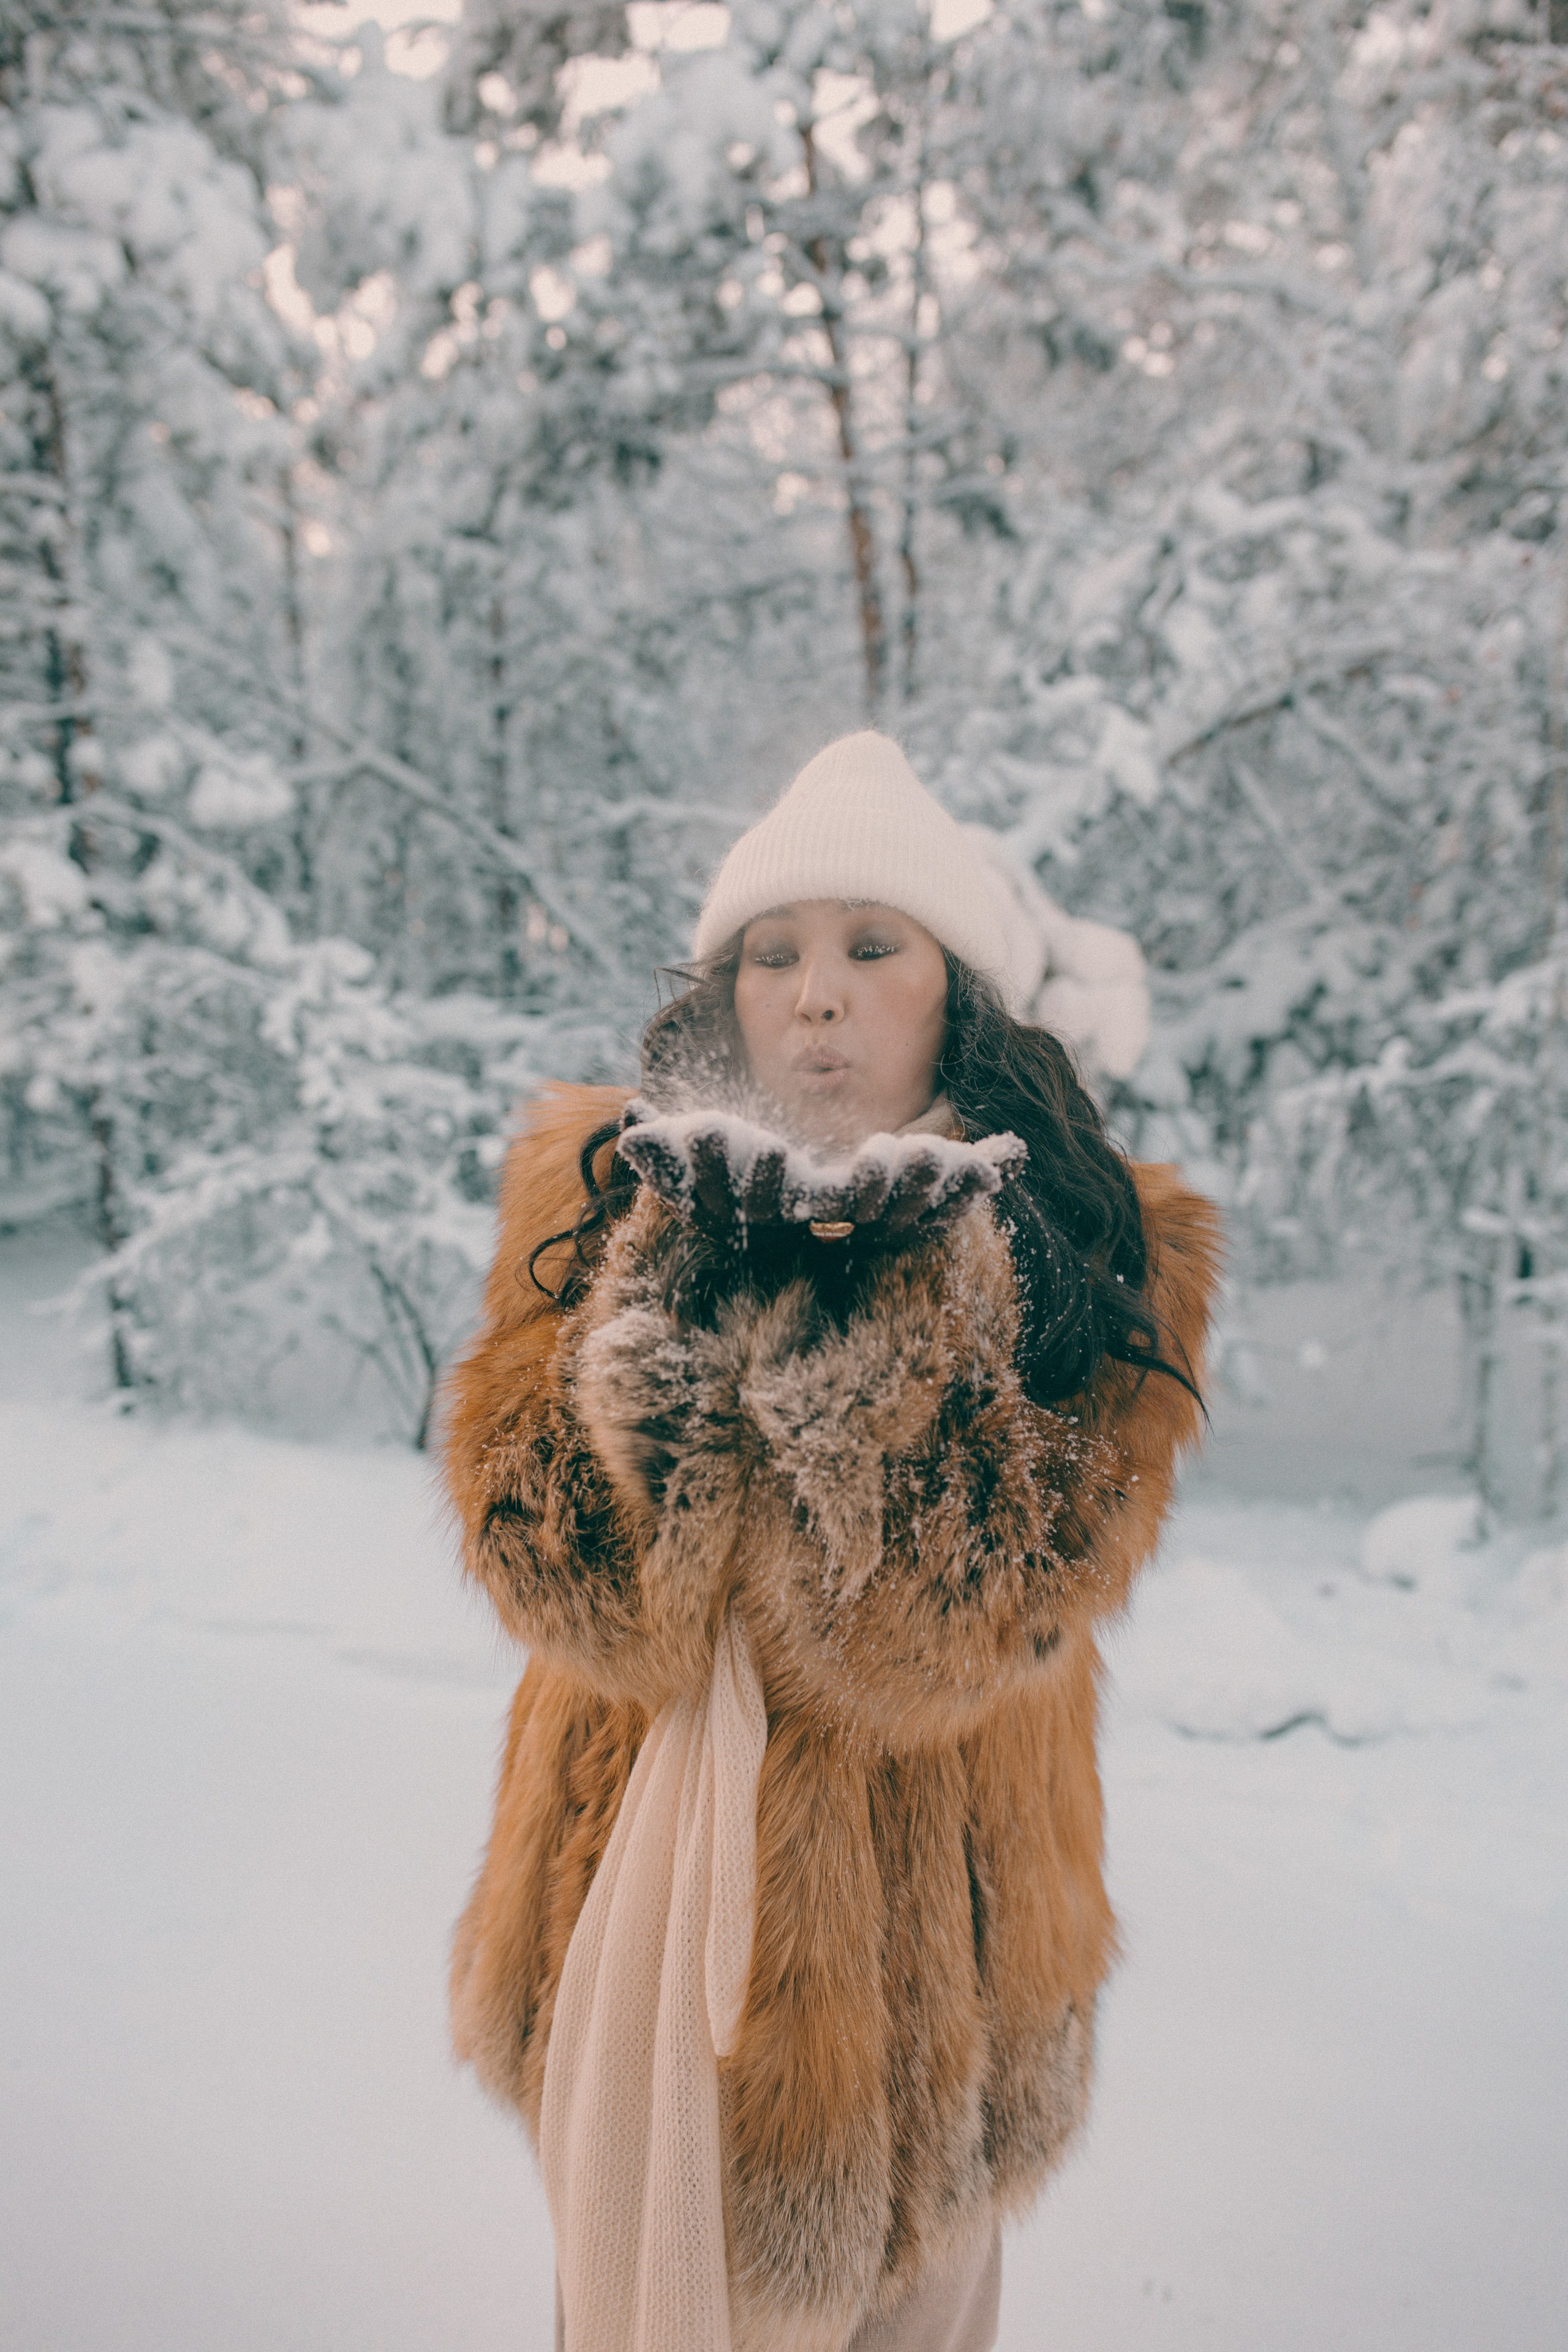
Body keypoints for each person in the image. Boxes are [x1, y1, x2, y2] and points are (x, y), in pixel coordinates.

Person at [442, 731, 1221, 2352]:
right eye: (773, 953)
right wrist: (671, 1304)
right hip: (625, 1927)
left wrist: (879, 1322)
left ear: (962, 993)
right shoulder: (595, 1196)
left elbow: (934, 1647)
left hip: (948, 2001)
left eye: (874, 947)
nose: (816, 993)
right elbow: (580, 1601)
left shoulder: (1095, 1251)